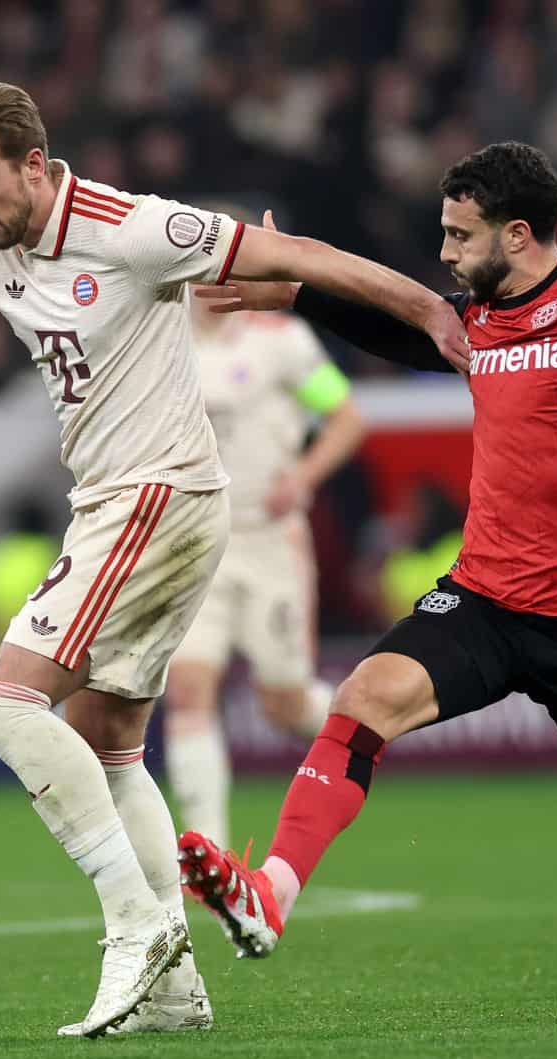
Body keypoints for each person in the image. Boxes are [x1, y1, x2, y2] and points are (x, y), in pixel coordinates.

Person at [0, 79, 465, 1038]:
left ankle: (136, 928)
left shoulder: (132, 228)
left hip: (157, 497)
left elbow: (295, 255)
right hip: (123, 505)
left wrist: (428, 307)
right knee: (107, 742)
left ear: (35, 166)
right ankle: (172, 991)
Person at [179, 141, 557, 1018]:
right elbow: (385, 323)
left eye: (458, 234)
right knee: (364, 697)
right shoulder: (476, 322)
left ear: (518, 234)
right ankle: (272, 893)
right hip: (486, 598)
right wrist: (293, 286)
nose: (444, 253)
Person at [164, 239, 366, 849]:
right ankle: (207, 852)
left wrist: (302, 478)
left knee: (282, 703)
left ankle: (366, 726)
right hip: (195, 541)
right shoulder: (162, 342)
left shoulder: (284, 342)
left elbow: (346, 417)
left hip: (269, 541)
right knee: (188, 690)